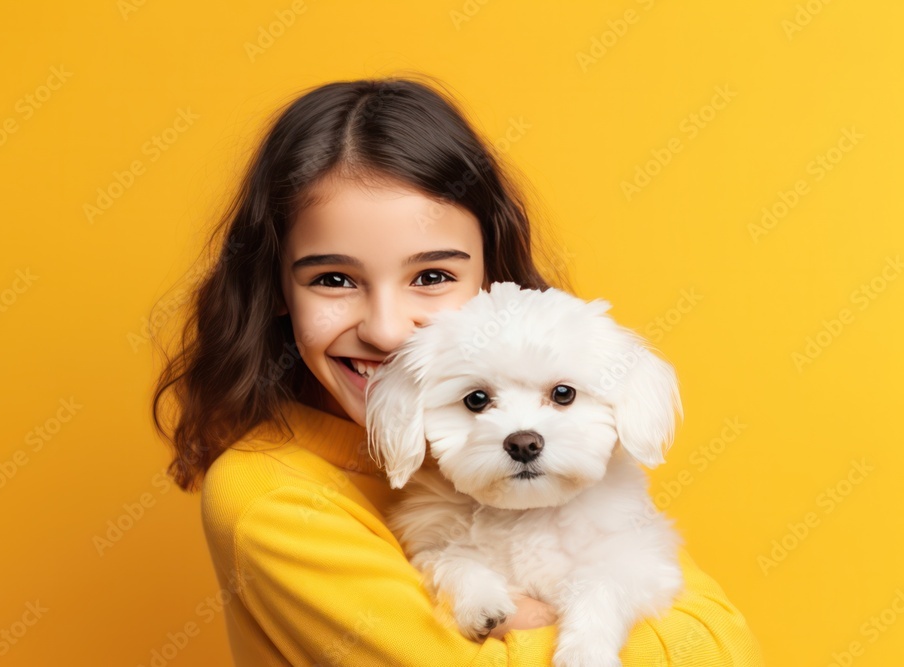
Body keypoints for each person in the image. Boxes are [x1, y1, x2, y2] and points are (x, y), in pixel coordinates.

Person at [152, 75, 766, 666]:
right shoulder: (271, 500)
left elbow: (727, 648)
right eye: (334, 279)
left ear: (491, 274)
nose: (388, 330)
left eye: (432, 276)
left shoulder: (576, 449)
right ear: (276, 288)